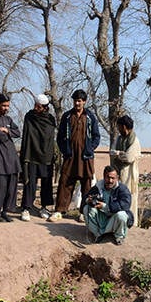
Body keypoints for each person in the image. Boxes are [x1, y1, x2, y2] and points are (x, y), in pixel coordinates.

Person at [49, 89, 101, 222]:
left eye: (79, 100)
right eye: (75, 100)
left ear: (84, 102)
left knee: (87, 184)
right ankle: (60, 210)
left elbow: (96, 136)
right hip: (70, 156)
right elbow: (60, 136)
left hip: (86, 157)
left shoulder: (90, 117)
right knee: (65, 182)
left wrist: (90, 148)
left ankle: (84, 212)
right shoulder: (67, 116)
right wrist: (64, 150)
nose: (77, 103)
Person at [20, 93, 56, 219]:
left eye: (39, 106)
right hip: (31, 153)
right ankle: (26, 208)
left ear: (45, 107)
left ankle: (44, 207)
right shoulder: (29, 117)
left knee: (46, 183)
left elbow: (50, 137)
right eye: (35, 105)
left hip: (46, 155)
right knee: (30, 183)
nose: (36, 108)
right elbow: (26, 135)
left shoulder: (51, 119)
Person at [0, 93, 22, 222]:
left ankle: (5, 211)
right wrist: (4, 133)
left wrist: (6, 130)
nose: (6, 108)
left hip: (11, 159)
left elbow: (18, 132)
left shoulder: (8, 120)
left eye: (7, 106)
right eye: (3, 105)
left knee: (10, 188)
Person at [83, 165, 133, 245]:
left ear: (117, 178)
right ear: (104, 177)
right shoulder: (98, 187)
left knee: (122, 215)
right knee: (86, 208)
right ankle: (98, 234)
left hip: (114, 218)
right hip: (102, 218)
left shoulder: (122, 189)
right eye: (108, 177)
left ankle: (119, 236)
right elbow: (85, 199)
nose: (110, 180)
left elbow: (125, 205)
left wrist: (105, 207)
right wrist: (88, 200)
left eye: (113, 178)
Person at [109, 115, 142, 227]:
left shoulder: (134, 141)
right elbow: (112, 151)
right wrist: (117, 153)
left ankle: (131, 222)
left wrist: (119, 154)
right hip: (118, 172)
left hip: (129, 173)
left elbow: (129, 157)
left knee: (128, 197)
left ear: (124, 126)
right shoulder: (119, 138)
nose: (118, 129)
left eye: (119, 126)